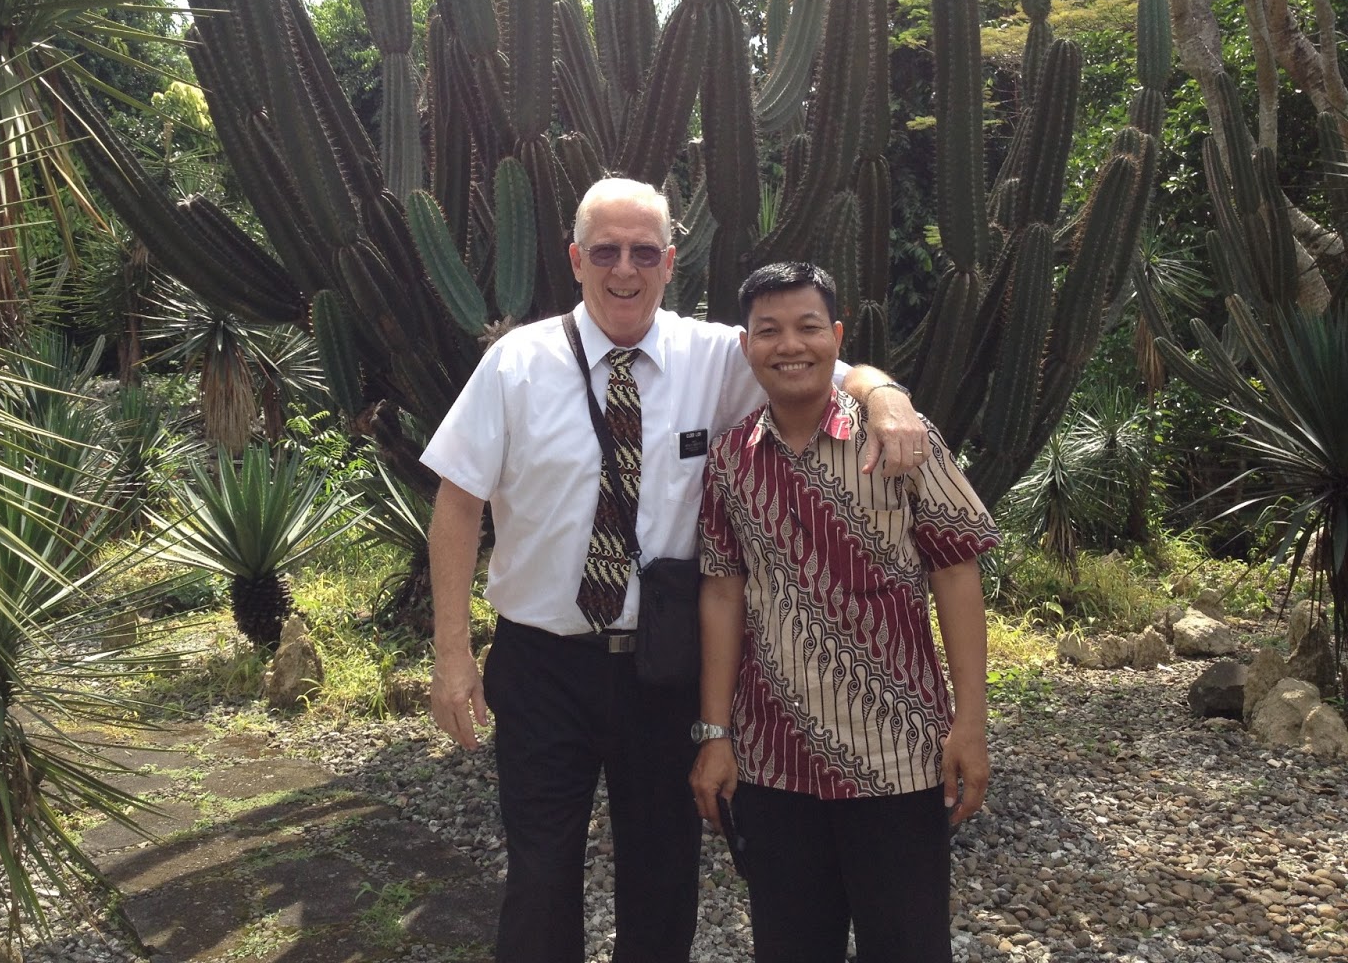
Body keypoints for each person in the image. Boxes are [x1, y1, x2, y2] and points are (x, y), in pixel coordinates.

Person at [421, 179, 929, 963]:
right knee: (540, 875)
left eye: (643, 252)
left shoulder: (713, 357)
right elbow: (458, 504)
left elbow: (819, 361)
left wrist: (886, 396)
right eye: (606, 252)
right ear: (576, 261)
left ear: (670, 262)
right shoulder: (516, 364)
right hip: (542, 664)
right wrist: (452, 654)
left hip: (662, 670)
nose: (624, 269)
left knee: (662, 876)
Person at [688, 261, 1000, 963]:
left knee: (908, 947)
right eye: (769, 331)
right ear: (745, 345)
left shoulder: (900, 442)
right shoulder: (731, 461)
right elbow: (722, 591)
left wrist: (971, 724)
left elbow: (956, 572)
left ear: (836, 335)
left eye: (807, 327)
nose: (789, 346)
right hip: (772, 760)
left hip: (897, 755)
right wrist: (715, 733)